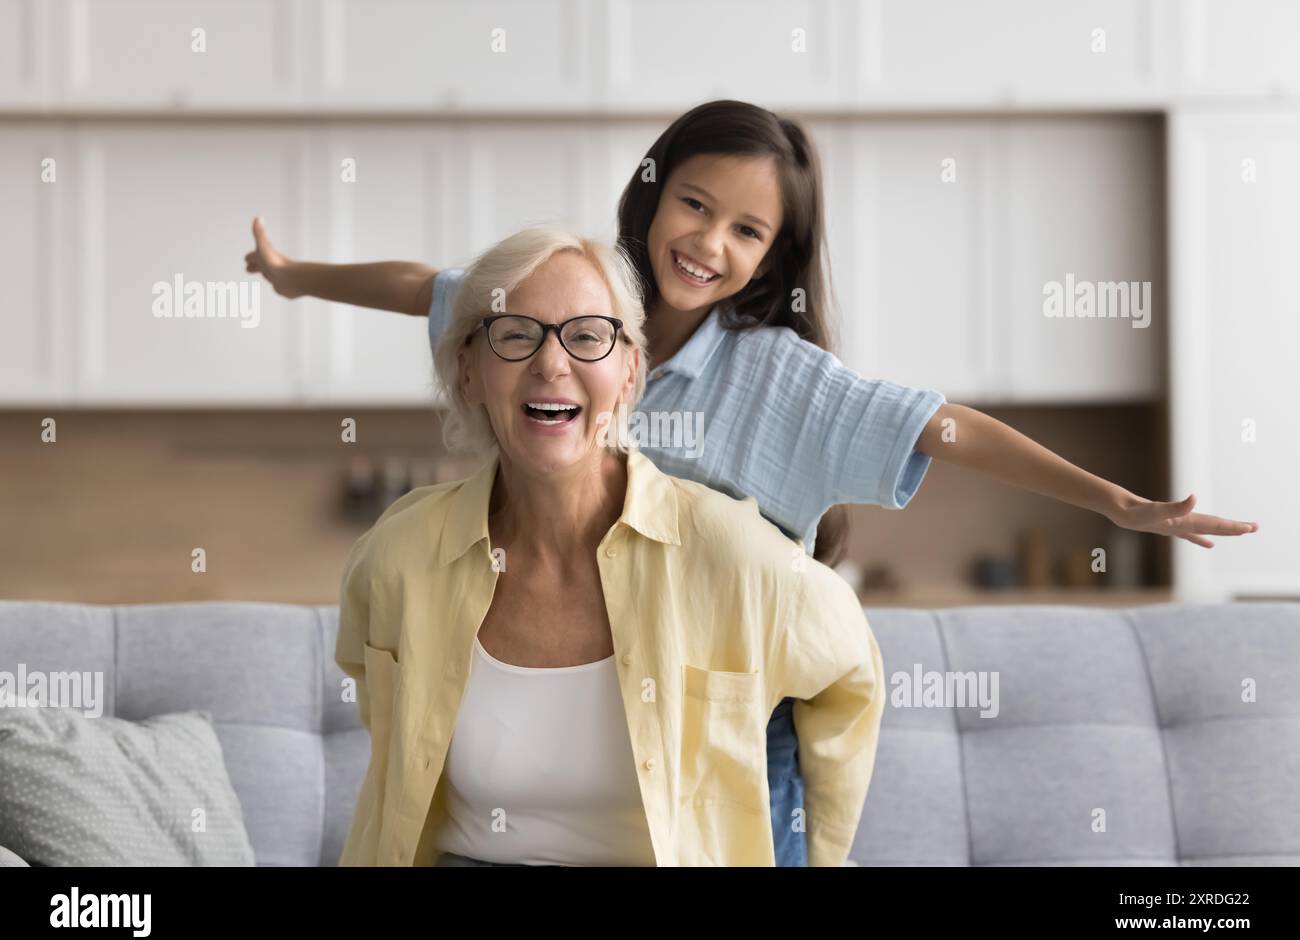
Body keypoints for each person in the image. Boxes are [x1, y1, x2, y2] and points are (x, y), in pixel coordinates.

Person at [252, 101, 1258, 865]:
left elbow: (941, 425)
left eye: (747, 231)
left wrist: (1114, 503)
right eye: (695, 204)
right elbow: (424, 286)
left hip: (723, 700)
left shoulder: (782, 376)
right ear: (653, 195)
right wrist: (298, 278)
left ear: (774, 255)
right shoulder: (574, 312)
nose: (708, 241)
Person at [335, 226, 883, 866]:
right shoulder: (398, 557)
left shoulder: (728, 553)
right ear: (468, 372)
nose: (551, 363)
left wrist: (813, 854)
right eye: (515, 334)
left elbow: (851, 674)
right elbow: (386, 727)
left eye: (588, 335)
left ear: (628, 372)